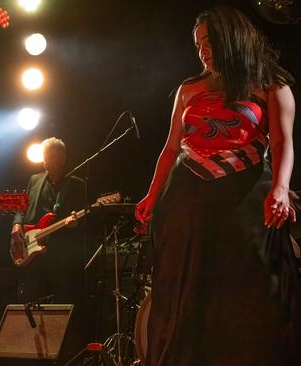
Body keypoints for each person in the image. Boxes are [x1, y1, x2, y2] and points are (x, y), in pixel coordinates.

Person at [135, 6, 298, 365]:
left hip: (244, 195)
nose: (202, 51)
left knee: (246, 287)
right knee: (185, 286)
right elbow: (170, 147)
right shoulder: (188, 89)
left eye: (208, 41)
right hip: (186, 197)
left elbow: (283, 142)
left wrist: (282, 188)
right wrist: (152, 193)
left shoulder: (272, 85)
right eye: (197, 45)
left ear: (232, 38)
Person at [10, 137, 85, 304]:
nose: (46, 161)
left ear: (62, 158)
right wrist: (16, 224)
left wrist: (76, 224)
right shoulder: (34, 180)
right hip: (31, 250)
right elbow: (21, 208)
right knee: (28, 300)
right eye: (45, 156)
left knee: (61, 302)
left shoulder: (76, 185)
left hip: (60, 257)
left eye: (50, 156)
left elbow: (86, 221)